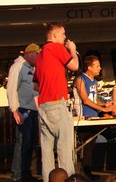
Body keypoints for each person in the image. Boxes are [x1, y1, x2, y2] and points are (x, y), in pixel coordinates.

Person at [34, 22, 79, 182]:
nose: (65, 37)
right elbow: (74, 66)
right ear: (54, 35)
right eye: (63, 34)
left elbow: (35, 83)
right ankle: (68, 179)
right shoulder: (56, 48)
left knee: (46, 151)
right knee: (64, 148)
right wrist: (72, 50)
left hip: (44, 104)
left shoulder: (40, 55)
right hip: (57, 102)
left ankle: (49, 180)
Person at [74, 55, 114, 180]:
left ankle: (88, 170)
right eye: (97, 66)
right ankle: (85, 171)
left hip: (93, 116)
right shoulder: (81, 80)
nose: (100, 68)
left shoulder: (94, 81)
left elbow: (94, 98)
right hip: (83, 116)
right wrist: (103, 109)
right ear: (89, 67)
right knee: (87, 145)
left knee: (91, 145)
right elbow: (85, 100)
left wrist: (105, 103)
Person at [7, 43, 41, 182]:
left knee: (30, 142)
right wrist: (15, 110)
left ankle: (26, 173)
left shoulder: (32, 68)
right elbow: (11, 88)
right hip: (23, 110)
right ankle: (18, 175)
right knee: (23, 142)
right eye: (37, 55)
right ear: (30, 54)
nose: (39, 58)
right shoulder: (18, 67)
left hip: (32, 110)